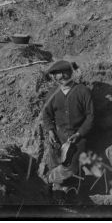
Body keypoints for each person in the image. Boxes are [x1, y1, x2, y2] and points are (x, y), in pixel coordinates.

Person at [42, 60, 94, 203]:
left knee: (70, 167)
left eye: (65, 75)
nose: (62, 78)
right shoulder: (53, 93)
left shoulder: (82, 91)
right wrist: (50, 130)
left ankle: (67, 190)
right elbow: (46, 114)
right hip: (58, 137)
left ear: (70, 74)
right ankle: (55, 191)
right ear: (55, 78)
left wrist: (79, 133)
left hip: (77, 137)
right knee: (56, 163)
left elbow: (90, 116)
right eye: (58, 76)